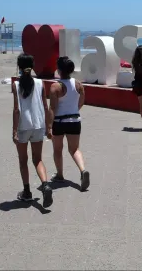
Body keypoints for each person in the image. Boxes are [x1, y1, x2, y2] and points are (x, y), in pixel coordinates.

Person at [12, 54, 53, 207]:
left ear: (19, 67)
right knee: (38, 159)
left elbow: (17, 110)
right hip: (38, 125)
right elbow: (45, 106)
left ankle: (27, 192)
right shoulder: (40, 83)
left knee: (23, 161)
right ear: (33, 65)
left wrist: (14, 130)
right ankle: (46, 185)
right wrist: (49, 127)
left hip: (23, 126)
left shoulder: (16, 84)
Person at [47, 56, 90, 192]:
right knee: (75, 149)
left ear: (59, 70)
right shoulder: (78, 84)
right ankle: (83, 171)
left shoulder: (55, 86)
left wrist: (48, 126)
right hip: (75, 120)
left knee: (57, 150)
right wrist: (74, 111)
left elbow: (52, 108)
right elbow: (81, 102)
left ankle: (60, 175)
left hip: (59, 122)